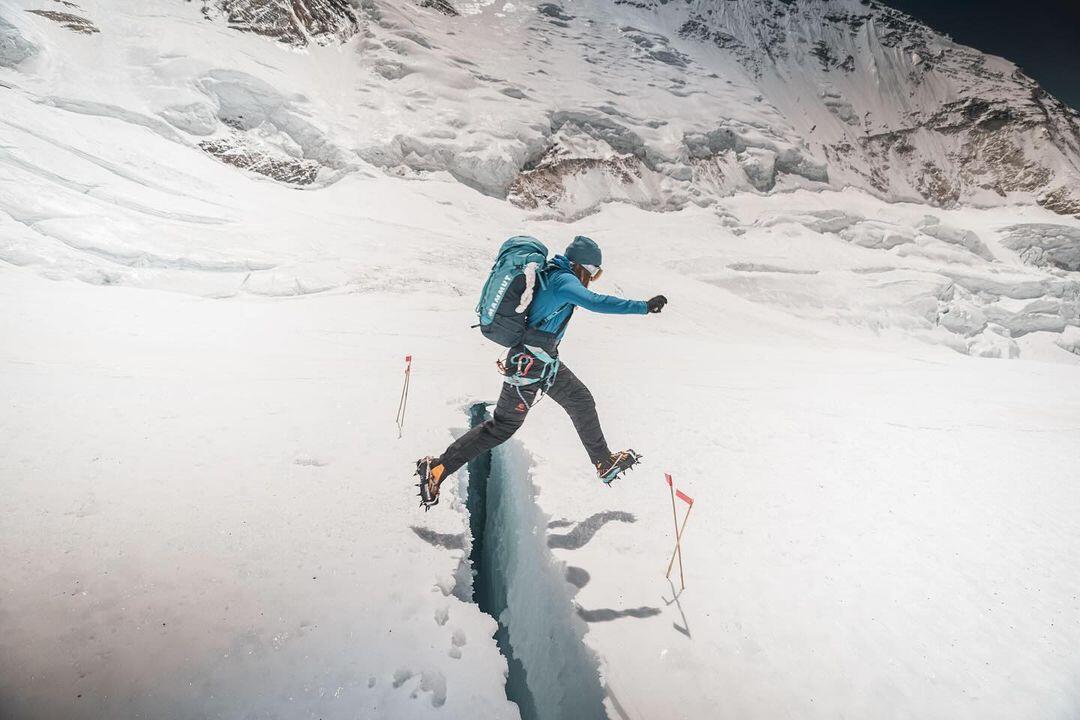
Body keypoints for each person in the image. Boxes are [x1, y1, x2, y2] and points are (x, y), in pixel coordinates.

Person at [416, 235, 667, 508]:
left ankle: (604, 462)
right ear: (581, 265)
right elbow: (594, 301)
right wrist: (643, 307)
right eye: (593, 272)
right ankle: (438, 468)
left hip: (543, 360)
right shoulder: (564, 279)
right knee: (503, 425)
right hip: (531, 363)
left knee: (580, 399)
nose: (592, 279)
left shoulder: (555, 276)